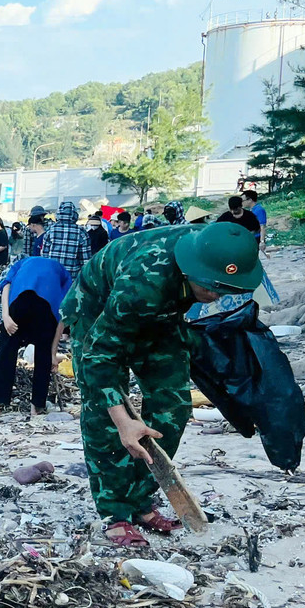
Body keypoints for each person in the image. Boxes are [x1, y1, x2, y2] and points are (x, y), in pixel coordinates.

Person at [62, 222, 263, 547]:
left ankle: (140, 500)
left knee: (174, 405)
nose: (215, 295)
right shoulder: (144, 281)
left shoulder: (221, 254)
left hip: (161, 314)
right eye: (211, 287)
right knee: (105, 414)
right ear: (191, 270)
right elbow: (100, 353)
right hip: (97, 312)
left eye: (225, 288)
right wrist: (123, 420)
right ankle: (115, 513)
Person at [0, 256, 72, 419]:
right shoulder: (63, 272)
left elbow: (5, 285)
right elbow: (63, 314)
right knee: (43, 355)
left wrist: (5, 317)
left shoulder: (22, 263)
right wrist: (53, 352)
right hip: (47, 309)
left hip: (19, 302)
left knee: (6, 351)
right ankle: (37, 407)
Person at [41, 202, 92, 277]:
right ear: (75, 214)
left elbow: (44, 255)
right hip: (72, 276)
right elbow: (85, 259)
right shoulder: (81, 232)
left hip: (53, 274)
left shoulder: (50, 230)